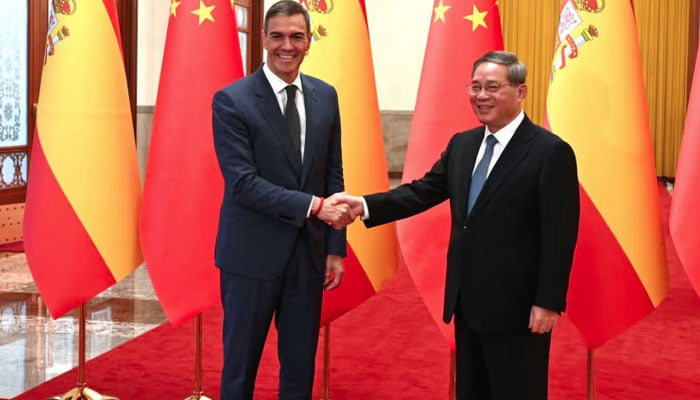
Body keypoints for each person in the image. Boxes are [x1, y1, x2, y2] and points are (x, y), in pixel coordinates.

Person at [336, 51, 580, 400]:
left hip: (519, 309)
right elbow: (421, 192)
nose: (481, 96)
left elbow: (560, 234)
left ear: (521, 91)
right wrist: (362, 205)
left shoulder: (550, 152)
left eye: (493, 87)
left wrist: (548, 301)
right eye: (475, 87)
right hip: (468, 301)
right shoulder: (463, 145)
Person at [211, 1, 353, 398]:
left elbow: (333, 174)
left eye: (296, 37)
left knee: (299, 369)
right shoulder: (232, 100)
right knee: (240, 369)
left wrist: (334, 248)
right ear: (263, 39)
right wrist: (314, 206)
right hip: (250, 258)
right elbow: (243, 183)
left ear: (309, 42)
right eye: (277, 36)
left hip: (308, 255)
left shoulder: (326, 96)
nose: (286, 46)